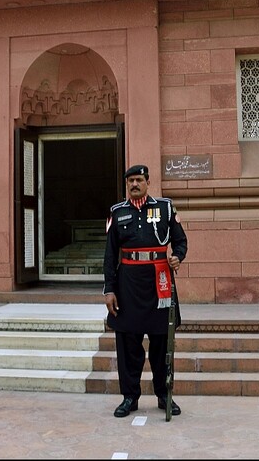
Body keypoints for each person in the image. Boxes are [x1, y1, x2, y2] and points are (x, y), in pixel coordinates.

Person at [103, 164, 188, 418]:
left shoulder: (164, 208)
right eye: (130, 181)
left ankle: (164, 395)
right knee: (128, 343)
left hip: (159, 282)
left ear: (147, 182)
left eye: (138, 180)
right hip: (128, 285)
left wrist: (178, 257)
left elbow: (180, 240)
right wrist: (109, 290)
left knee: (162, 342)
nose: (134, 185)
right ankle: (130, 397)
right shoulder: (117, 213)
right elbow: (110, 255)